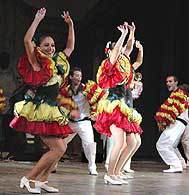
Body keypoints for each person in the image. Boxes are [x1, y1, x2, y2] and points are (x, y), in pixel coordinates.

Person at [9, 8, 78, 193]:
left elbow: (70, 47)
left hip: (52, 109)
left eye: (53, 45)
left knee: (61, 147)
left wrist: (70, 25)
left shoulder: (57, 62)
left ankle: (42, 181)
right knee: (56, 149)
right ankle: (29, 178)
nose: (51, 48)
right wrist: (37, 19)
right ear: (39, 47)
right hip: (39, 109)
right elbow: (26, 40)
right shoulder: (37, 62)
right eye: (46, 45)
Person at [89, 22, 143, 185]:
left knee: (133, 142)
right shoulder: (109, 64)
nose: (120, 51)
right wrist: (122, 35)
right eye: (116, 49)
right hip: (113, 106)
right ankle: (110, 174)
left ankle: (117, 171)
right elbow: (119, 49)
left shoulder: (123, 61)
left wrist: (131, 33)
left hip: (124, 106)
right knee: (120, 142)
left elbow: (128, 48)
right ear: (110, 51)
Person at [57, 67, 98, 175]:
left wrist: (95, 113)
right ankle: (53, 164)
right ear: (71, 77)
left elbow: (96, 101)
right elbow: (61, 104)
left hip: (84, 122)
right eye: (76, 75)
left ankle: (92, 167)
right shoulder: (66, 90)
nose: (79, 78)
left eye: (80, 76)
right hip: (70, 122)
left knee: (89, 145)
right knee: (60, 144)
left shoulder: (87, 89)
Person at [155, 75, 189, 173]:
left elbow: (173, 111)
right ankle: (181, 163)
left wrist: (164, 119)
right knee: (172, 146)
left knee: (161, 144)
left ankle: (176, 165)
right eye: (167, 82)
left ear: (176, 82)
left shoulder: (180, 94)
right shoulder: (175, 94)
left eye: (170, 81)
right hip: (179, 123)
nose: (168, 83)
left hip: (177, 123)